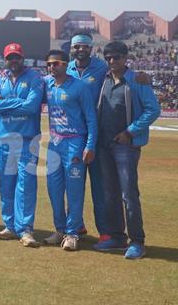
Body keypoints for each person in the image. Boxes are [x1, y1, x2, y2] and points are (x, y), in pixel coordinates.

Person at [67, 31, 151, 243]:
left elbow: (150, 106)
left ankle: (122, 236)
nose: (112, 61)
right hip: (84, 139)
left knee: (116, 191)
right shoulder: (71, 69)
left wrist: (143, 77)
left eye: (85, 46)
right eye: (76, 46)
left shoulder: (115, 73)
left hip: (113, 141)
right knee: (89, 187)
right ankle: (89, 228)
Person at [93, 41, 159, 259]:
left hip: (125, 146)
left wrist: (130, 132)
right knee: (109, 194)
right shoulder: (104, 80)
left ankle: (137, 241)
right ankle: (117, 237)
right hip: (104, 145)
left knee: (128, 194)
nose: (112, 62)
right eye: (109, 58)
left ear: (125, 58)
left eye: (117, 57)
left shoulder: (137, 81)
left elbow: (152, 110)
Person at [0, 43, 44, 247]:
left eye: (17, 57)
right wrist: (17, 103)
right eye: (10, 57)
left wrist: (6, 105)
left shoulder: (34, 78)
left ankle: (26, 229)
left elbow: (31, 107)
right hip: (4, 139)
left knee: (26, 185)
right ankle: (10, 226)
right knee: (7, 184)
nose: (14, 61)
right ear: (5, 59)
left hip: (27, 139)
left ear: (23, 58)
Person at [42, 49, 97, 251]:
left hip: (75, 142)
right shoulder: (46, 83)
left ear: (66, 64)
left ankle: (72, 233)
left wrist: (90, 145)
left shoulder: (79, 87)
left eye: (55, 63)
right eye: (49, 64)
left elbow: (91, 118)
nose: (51, 67)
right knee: (54, 189)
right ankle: (60, 229)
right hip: (55, 144)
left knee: (74, 190)